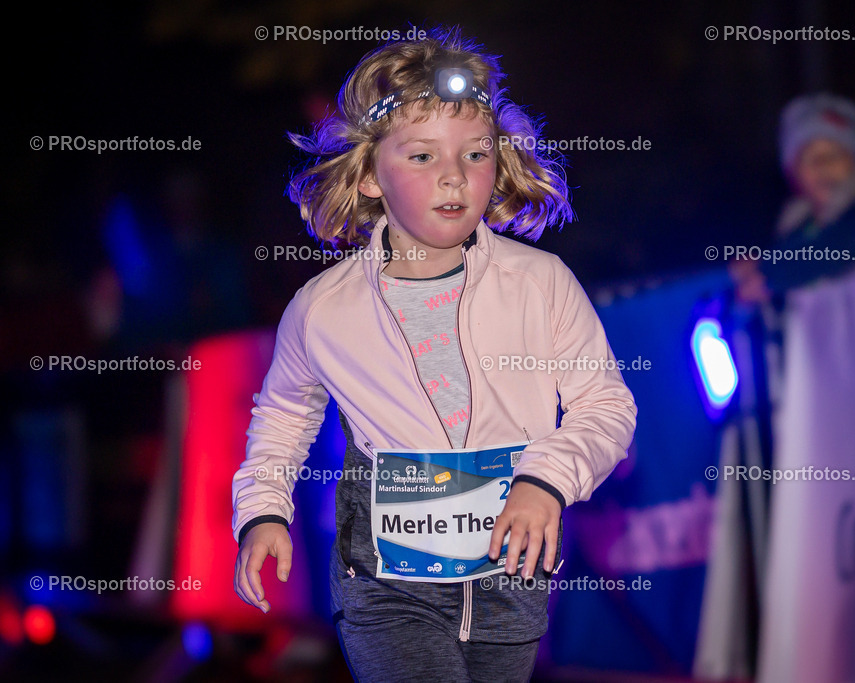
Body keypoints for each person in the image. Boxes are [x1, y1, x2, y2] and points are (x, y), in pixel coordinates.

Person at [230, 27, 637, 682]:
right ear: (367, 176)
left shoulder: (541, 282)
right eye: (422, 156)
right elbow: (281, 417)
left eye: (475, 154)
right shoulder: (322, 308)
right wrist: (263, 510)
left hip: (514, 569)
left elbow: (606, 404)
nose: (454, 175)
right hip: (387, 582)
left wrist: (546, 479)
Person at [730, 92, 855, 304]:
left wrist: (769, 270)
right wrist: (753, 273)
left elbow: (851, 240)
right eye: (810, 157)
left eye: (836, 154)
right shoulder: (798, 231)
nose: (823, 165)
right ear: (792, 173)